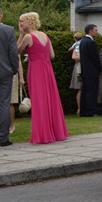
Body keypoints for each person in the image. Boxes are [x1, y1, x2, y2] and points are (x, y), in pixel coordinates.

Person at [16, 12, 68, 144]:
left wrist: (21, 35)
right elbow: (52, 55)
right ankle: (57, 132)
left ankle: (43, 134)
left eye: (22, 21)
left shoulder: (28, 36)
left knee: (39, 100)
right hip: (47, 68)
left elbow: (16, 51)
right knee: (50, 99)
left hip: (36, 70)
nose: (20, 24)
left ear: (29, 22)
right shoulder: (45, 35)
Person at [0, 6, 19, 145]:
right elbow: (13, 52)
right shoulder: (8, 30)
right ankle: (3, 138)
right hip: (4, 72)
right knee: (4, 104)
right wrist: (14, 69)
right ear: (0, 16)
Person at [79, 24, 102, 116]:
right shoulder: (90, 42)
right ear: (90, 31)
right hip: (92, 71)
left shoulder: (82, 41)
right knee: (92, 92)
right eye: (96, 30)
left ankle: (83, 111)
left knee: (85, 91)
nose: (97, 32)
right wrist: (99, 68)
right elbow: (95, 58)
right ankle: (90, 111)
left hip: (85, 71)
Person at [68, 30, 84, 115]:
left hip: (81, 65)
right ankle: (79, 108)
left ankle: (81, 108)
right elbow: (74, 57)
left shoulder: (75, 44)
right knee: (80, 87)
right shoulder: (82, 43)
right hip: (80, 65)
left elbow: (70, 49)